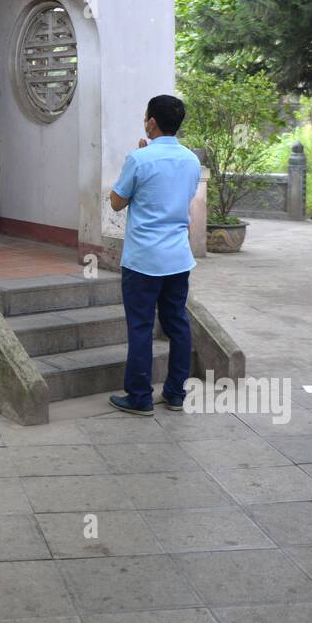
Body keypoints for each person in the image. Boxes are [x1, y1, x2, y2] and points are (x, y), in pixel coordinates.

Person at [108, 94, 202, 415]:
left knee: (140, 327)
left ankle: (139, 396)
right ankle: (175, 393)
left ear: (151, 122)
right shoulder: (191, 160)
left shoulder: (139, 159)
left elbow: (116, 202)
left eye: (145, 116)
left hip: (143, 260)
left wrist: (139, 158)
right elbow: (178, 196)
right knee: (178, 324)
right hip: (178, 258)